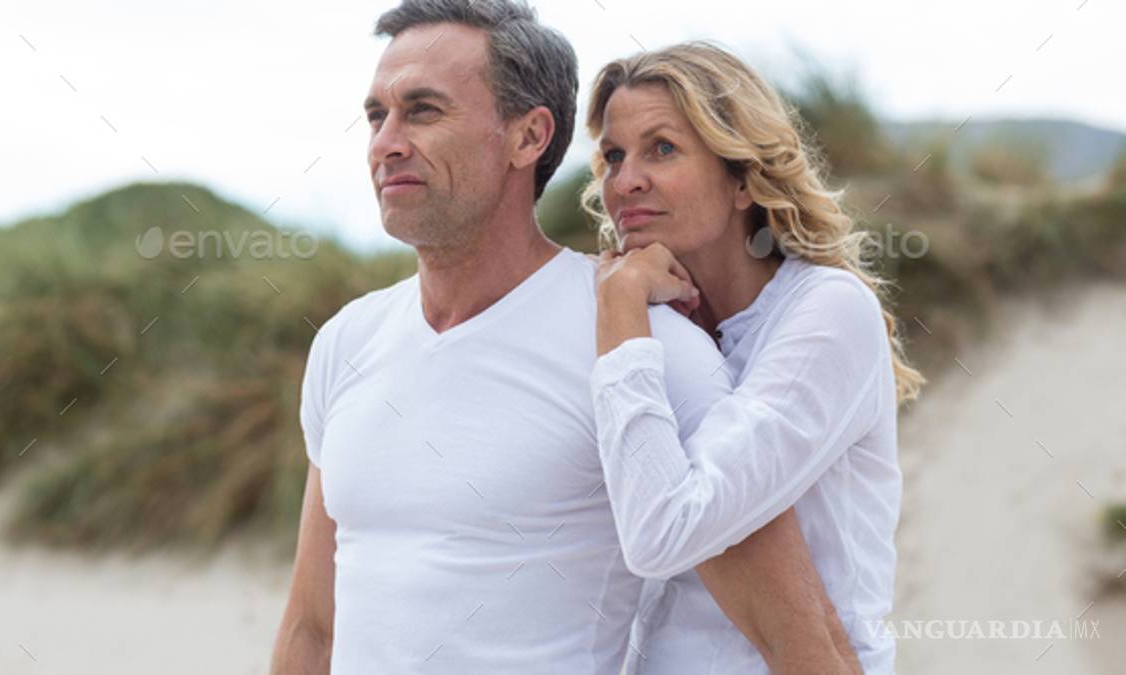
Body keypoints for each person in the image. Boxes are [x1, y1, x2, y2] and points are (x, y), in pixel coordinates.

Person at [271, 2, 857, 673]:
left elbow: (802, 642)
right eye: (377, 116)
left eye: (423, 111)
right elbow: (312, 629)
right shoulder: (345, 342)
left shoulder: (642, 346)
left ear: (528, 137)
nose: (386, 143)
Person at [586, 41, 925, 673]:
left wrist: (622, 312)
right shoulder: (665, 324)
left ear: (741, 179)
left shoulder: (828, 311)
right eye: (613, 155)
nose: (625, 180)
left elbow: (663, 533)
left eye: (662, 148)